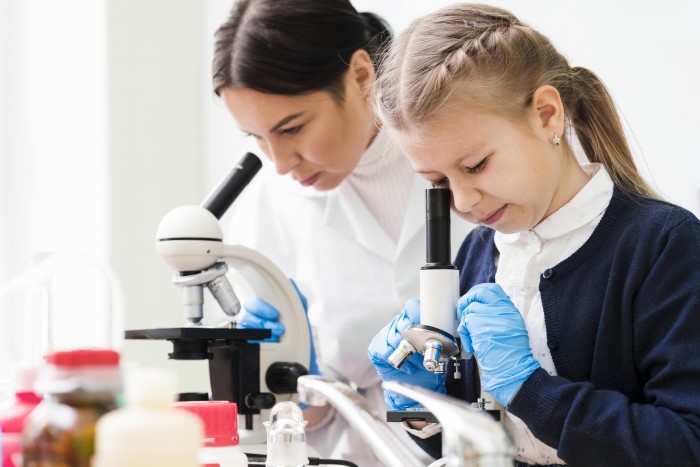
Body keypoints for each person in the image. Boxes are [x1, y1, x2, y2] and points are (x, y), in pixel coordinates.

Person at [368, 3, 700, 466]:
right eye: (438, 182)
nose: (462, 202)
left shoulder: (664, 245)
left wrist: (531, 390)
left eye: (475, 165)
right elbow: (477, 444)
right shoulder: (479, 253)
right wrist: (424, 407)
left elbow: (686, 444)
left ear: (547, 115)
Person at [211, 0, 474, 465]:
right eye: (254, 137)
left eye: (292, 128)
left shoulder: (471, 153)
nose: (279, 162)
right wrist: (288, 382)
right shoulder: (272, 199)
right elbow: (299, 421)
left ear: (360, 75)